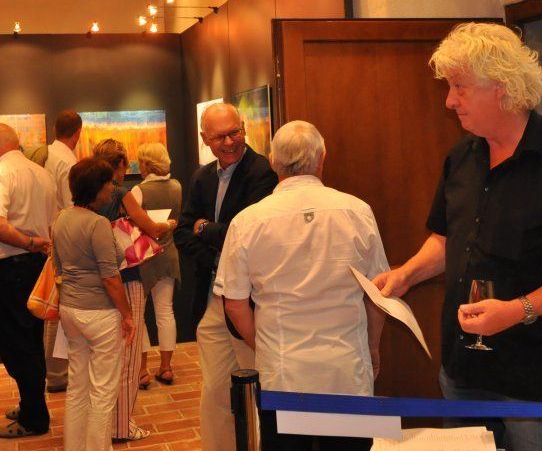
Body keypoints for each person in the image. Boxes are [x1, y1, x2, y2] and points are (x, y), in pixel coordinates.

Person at [373, 23, 542, 451]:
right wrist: (406, 275)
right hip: (461, 370)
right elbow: (446, 239)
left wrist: (516, 311)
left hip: (533, 378)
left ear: (501, 87)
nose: (449, 101)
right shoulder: (461, 157)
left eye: (460, 87)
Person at [216, 121, 389, 451]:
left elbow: (235, 305)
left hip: (283, 375)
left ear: (272, 161)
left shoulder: (247, 221)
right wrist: (372, 347)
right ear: (323, 157)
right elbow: (377, 292)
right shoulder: (357, 211)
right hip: (346, 369)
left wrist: (264, 348)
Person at [173, 102, 278, 451]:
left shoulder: (262, 173)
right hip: (212, 298)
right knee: (216, 391)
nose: (229, 142)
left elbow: (244, 233)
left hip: (250, 303)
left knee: (262, 391)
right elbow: (183, 232)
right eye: (220, 137)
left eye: (235, 132)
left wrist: (208, 230)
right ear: (205, 139)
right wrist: (217, 254)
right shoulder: (201, 177)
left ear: (244, 128)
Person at [0, 123, 59, 439]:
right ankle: (31, 405)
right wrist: (36, 245)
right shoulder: (42, 174)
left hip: (10, 269)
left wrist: (28, 242)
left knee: (16, 344)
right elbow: (53, 221)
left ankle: (34, 417)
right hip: (36, 267)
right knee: (31, 339)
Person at [92, 139, 175, 443]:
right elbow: (151, 227)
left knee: (102, 357)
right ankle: (121, 425)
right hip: (127, 276)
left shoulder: (88, 194)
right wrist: (170, 224)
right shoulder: (121, 194)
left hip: (97, 280)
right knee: (127, 356)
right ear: (120, 165)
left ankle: (101, 422)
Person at [52, 158, 136, 451]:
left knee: (77, 388)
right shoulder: (97, 223)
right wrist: (128, 315)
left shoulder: (61, 218)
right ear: (97, 187)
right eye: (109, 183)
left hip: (70, 310)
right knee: (102, 393)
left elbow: (58, 266)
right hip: (99, 314)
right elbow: (110, 277)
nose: (112, 188)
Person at [131, 142, 183, 389]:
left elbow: (133, 225)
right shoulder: (177, 186)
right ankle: (166, 367)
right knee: (166, 311)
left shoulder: (138, 191)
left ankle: (142, 370)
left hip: (143, 257)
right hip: (168, 254)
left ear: (145, 163)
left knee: (138, 315)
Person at [44, 110, 83, 392]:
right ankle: (58, 373)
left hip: (50, 234)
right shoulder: (67, 161)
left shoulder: (47, 154)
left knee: (54, 306)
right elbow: (73, 207)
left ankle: (56, 371)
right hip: (65, 239)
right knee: (60, 308)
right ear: (77, 133)